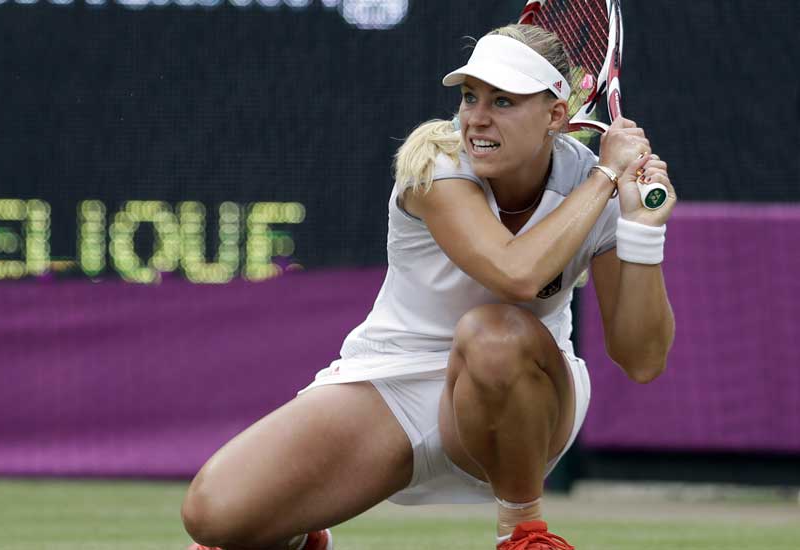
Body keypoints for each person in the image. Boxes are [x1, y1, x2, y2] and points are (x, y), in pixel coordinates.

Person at [181, 23, 676, 550]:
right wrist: (605, 180)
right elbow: (516, 273)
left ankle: (524, 533)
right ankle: (301, 538)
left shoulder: (587, 182)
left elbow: (641, 360)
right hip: (395, 385)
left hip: (522, 400)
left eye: (503, 101)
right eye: (469, 97)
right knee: (214, 515)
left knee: (494, 334)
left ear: (556, 115)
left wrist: (642, 233)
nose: (476, 118)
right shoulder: (436, 160)